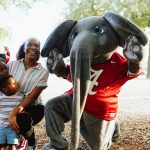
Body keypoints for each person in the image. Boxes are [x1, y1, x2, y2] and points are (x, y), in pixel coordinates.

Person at [42, 36, 144, 150]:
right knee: (52, 106)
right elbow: (70, 74)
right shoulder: (82, 58)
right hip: (76, 99)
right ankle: (57, 145)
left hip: (100, 108)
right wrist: (59, 68)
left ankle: (112, 125)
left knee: (98, 147)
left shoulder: (116, 60)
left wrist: (134, 61)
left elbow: (131, 71)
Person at [6, 37, 49, 150]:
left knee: (22, 119)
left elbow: (32, 96)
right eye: (30, 44)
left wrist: (12, 114)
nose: (33, 48)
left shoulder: (43, 72)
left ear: (40, 51)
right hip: (11, 103)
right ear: (24, 48)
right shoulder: (11, 65)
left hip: (33, 107)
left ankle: (31, 141)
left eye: (37, 46)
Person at [0, 59, 22, 150]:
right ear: (5, 89)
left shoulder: (20, 96)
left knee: (12, 145)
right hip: (1, 126)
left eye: (5, 69)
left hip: (12, 127)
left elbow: (22, 107)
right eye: (13, 84)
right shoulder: (1, 96)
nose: (5, 71)